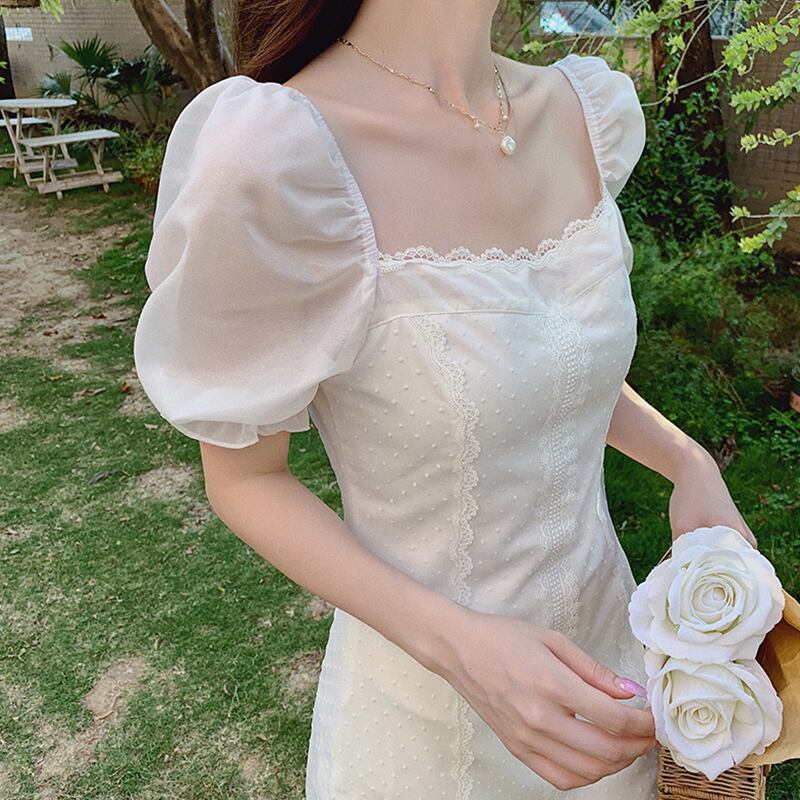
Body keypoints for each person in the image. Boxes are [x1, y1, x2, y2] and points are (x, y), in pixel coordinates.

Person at [132, 1, 759, 797]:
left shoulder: (580, 111)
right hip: (427, 727)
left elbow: (553, 370)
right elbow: (246, 479)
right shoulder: (276, 155)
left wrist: (687, 460)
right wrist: (463, 650)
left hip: (611, 685)